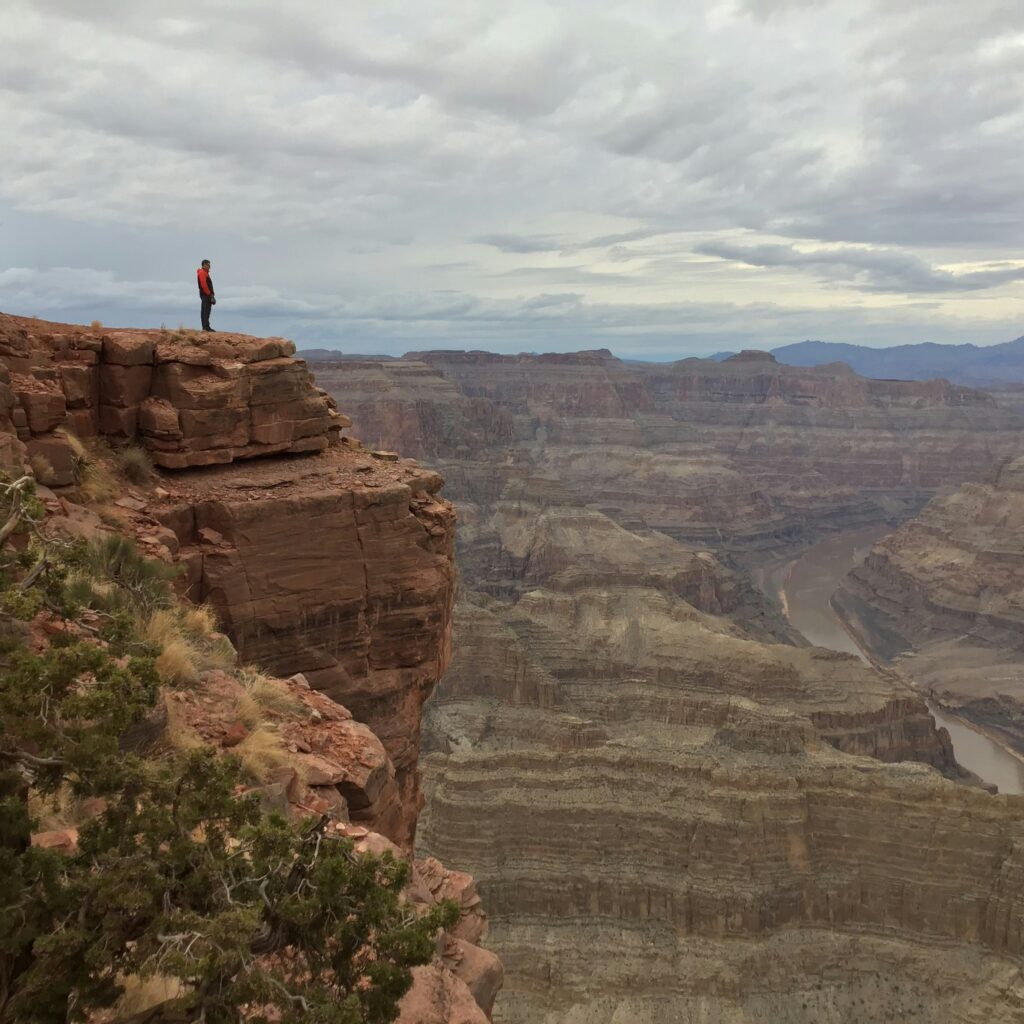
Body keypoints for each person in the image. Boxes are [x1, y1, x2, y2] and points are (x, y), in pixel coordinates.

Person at [197, 259, 216, 332]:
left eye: (209, 265)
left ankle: (206, 327)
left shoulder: (204, 272)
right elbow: (204, 284)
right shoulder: (202, 273)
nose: (209, 267)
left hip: (205, 294)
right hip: (205, 294)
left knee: (205, 310)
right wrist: (210, 294)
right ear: (204, 265)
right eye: (208, 265)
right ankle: (206, 328)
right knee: (206, 310)